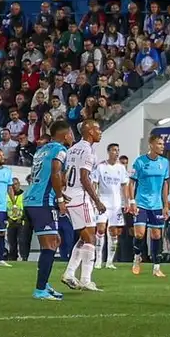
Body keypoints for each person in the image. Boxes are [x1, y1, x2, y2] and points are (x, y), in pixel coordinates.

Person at [22, 118, 74, 300]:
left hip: (32, 199)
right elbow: (55, 172)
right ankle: (40, 289)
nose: (72, 137)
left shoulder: (41, 150)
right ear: (66, 134)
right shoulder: (60, 150)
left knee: (54, 241)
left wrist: (58, 194)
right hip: (42, 202)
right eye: (71, 133)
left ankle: (44, 283)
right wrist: (60, 198)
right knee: (51, 243)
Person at [61, 119, 108, 292]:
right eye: (97, 128)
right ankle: (86, 280)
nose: (100, 131)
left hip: (71, 196)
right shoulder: (88, 151)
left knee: (84, 237)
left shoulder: (72, 149)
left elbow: (66, 174)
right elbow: (84, 177)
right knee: (90, 238)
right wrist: (97, 200)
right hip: (81, 198)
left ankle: (69, 273)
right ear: (89, 131)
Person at [129, 135, 170, 279]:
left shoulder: (164, 163)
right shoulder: (140, 162)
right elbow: (131, 183)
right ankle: (137, 258)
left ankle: (156, 267)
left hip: (157, 205)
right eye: (159, 144)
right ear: (151, 145)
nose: (162, 146)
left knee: (156, 235)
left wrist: (166, 205)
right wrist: (132, 202)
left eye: (163, 144)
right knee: (139, 234)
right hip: (141, 203)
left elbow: (165, 184)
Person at [96, 144, 132, 269]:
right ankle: (98, 260)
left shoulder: (121, 168)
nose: (116, 153)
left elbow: (124, 185)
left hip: (116, 203)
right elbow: (94, 183)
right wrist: (95, 200)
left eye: (118, 150)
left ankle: (110, 261)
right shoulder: (101, 166)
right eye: (114, 150)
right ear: (108, 152)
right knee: (100, 229)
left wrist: (127, 201)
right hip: (103, 202)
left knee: (114, 232)